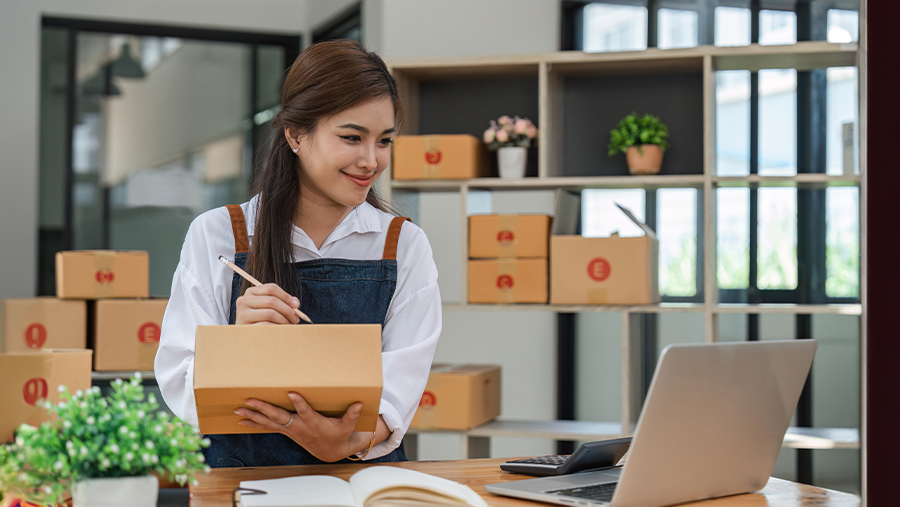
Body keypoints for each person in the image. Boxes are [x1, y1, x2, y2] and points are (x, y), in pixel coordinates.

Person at [154, 40, 441, 467]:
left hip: (360, 483)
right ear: (295, 134)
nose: (370, 160)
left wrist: (345, 443)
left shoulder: (403, 245)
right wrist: (236, 346)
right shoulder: (218, 236)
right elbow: (179, 382)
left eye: (384, 141)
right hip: (242, 484)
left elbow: (402, 385)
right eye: (351, 137)